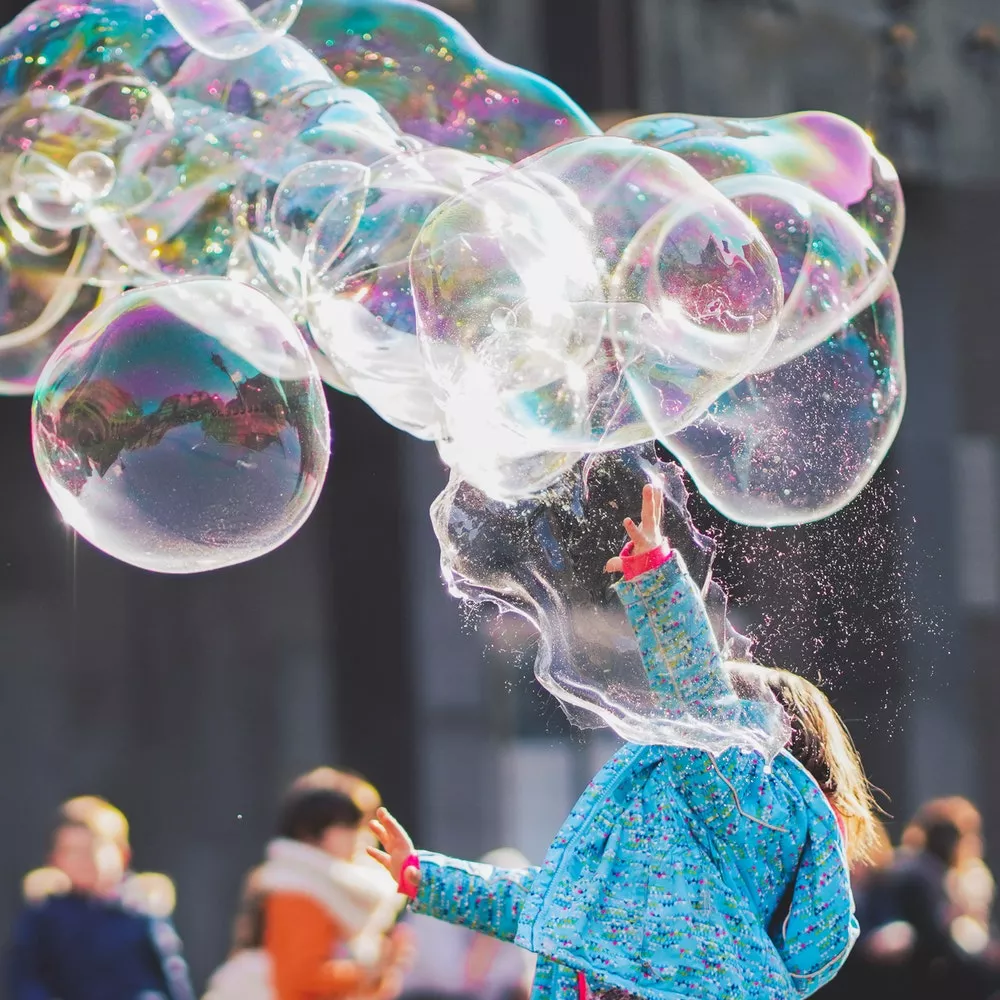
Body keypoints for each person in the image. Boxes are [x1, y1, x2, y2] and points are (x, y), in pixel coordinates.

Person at [367, 483, 874, 1000]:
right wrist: (423, 878)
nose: (670, 717)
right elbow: (555, 901)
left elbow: (694, 695)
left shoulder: (745, 802)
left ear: (754, 732)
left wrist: (656, 575)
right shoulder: (692, 817)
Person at [205, 781, 410, 1000]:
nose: (362, 837)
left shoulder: (317, 883)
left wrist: (380, 971)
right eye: (351, 825)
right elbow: (299, 981)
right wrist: (369, 972)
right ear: (313, 831)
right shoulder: (296, 887)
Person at [9, 814, 195, 1000]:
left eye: (91, 850)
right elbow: (25, 982)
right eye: (71, 851)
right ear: (55, 859)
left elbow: (173, 985)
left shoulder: (142, 915)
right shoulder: (43, 918)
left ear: (122, 853)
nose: (82, 860)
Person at [403, 849, 536, 1000]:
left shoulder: (518, 930)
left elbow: (523, 981)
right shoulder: (435, 915)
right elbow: (456, 982)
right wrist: (487, 941)